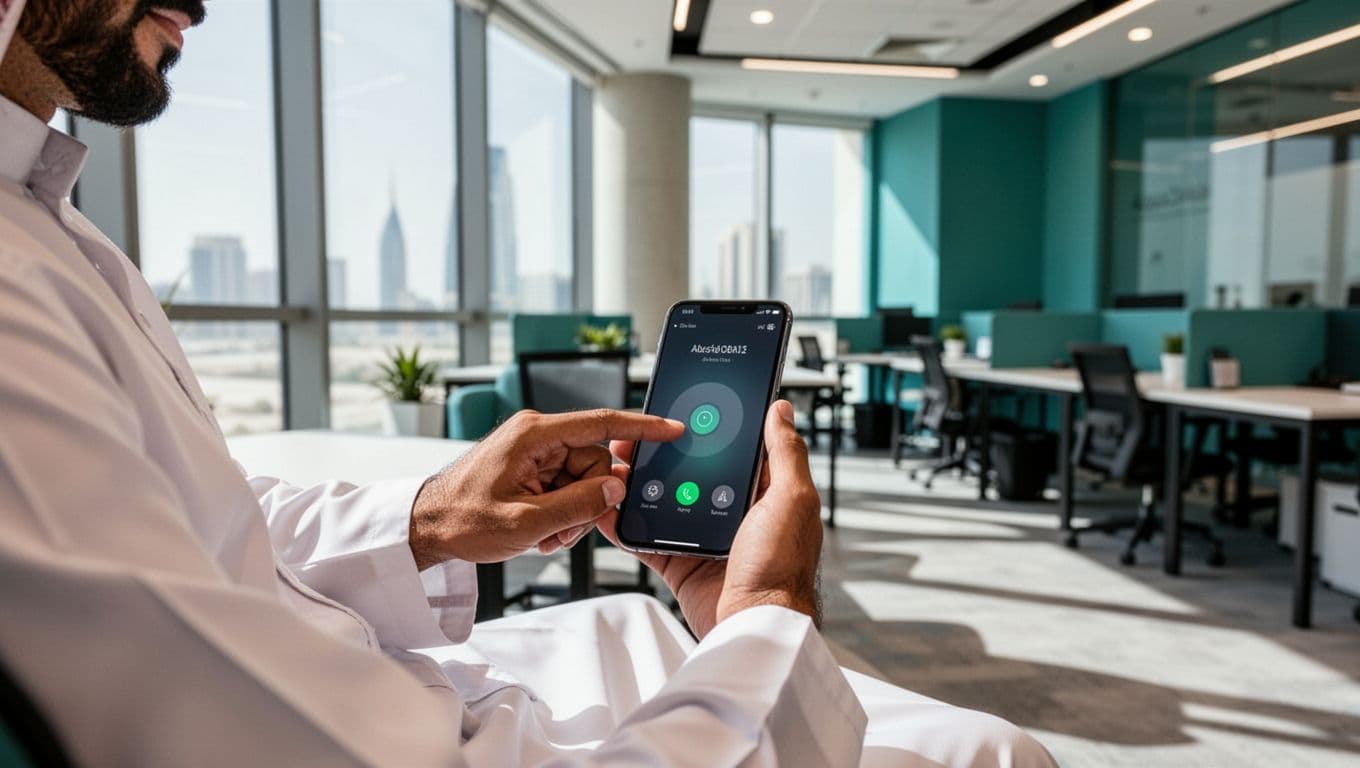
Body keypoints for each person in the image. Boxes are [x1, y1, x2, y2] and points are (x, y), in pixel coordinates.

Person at [0, 1, 1057, 765]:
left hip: (379, 682)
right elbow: (203, 705)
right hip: (395, 728)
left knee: (635, 628)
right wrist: (766, 608)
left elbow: (201, 532)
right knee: (991, 754)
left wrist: (429, 517)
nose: (200, 2)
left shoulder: (46, 223)